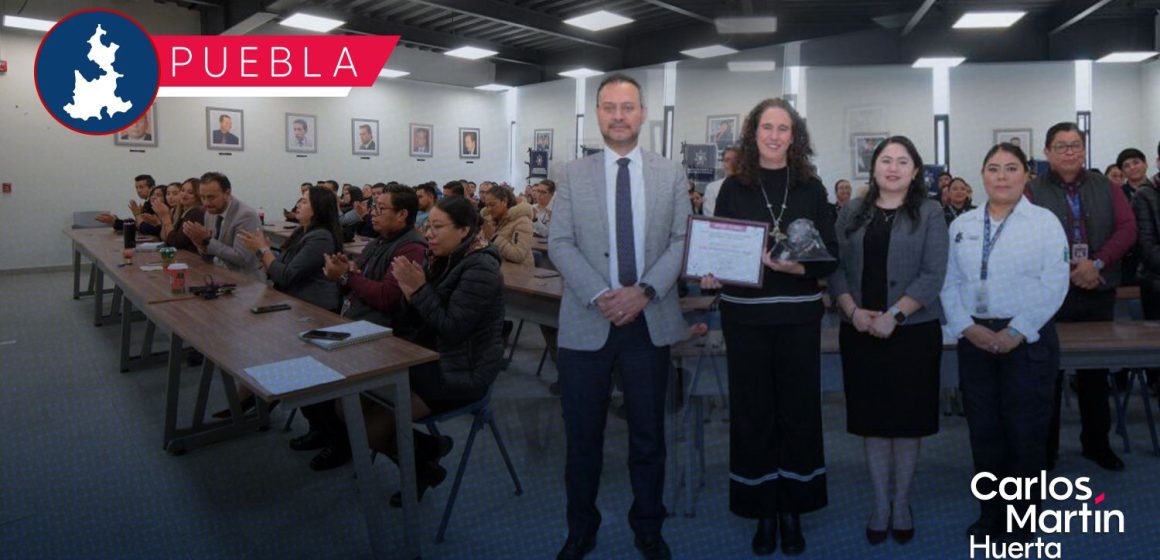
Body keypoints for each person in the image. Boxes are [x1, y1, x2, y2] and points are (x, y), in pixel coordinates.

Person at [549, 73, 689, 560]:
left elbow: (680, 241)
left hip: (648, 321)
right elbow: (559, 243)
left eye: (628, 107)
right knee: (582, 436)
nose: (618, 116)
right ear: (597, 114)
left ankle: (648, 525)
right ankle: (580, 528)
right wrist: (604, 295)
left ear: (644, 113)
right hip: (588, 321)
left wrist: (644, 292)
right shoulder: (572, 173)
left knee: (649, 434)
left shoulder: (670, 173)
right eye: (609, 107)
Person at [701, 97, 837, 557]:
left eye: (784, 129)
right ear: (752, 133)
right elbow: (717, 246)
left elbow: (829, 254)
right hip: (745, 317)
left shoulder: (811, 187)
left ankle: (793, 508)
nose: (775, 136)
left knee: (798, 412)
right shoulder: (732, 188)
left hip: (798, 315)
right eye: (766, 128)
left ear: (794, 137)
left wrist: (796, 268)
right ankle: (762, 508)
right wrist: (710, 270)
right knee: (753, 412)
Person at [941, 143, 1070, 541]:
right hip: (975, 340)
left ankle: (1024, 519)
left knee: (1026, 433)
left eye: (1010, 168)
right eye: (993, 168)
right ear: (982, 175)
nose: (1001, 176)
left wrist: (1017, 330)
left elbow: (1055, 283)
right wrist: (967, 327)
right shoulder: (962, 226)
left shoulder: (1045, 222)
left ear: (1026, 174)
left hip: (1028, 341)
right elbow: (948, 283)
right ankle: (990, 514)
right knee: (984, 432)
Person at [348, 195, 505, 506]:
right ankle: (426, 453)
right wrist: (408, 294)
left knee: (368, 423)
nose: (428, 234)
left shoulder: (481, 268)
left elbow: (452, 328)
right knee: (348, 402)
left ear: (464, 231)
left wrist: (418, 289)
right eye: (427, 226)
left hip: (462, 371)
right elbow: (415, 322)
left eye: (437, 227)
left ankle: (421, 462)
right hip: (427, 357)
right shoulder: (441, 258)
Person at [830, 135, 948, 546]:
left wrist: (895, 315)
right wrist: (851, 311)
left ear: (916, 171)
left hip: (912, 332)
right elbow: (835, 269)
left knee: (907, 423)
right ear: (873, 167)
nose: (893, 167)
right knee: (874, 423)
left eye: (902, 161)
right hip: (861, 330)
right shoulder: (851, 212)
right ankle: (881, 503)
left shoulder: (930, 213)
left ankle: (902, 502)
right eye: (885, 160)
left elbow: (934, 273)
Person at [295, 185, 428, 470]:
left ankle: (341, 442)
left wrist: (348, 277)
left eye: (381, 208)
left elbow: (387, 297)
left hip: (386, 334)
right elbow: (356, 283)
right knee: (303, 355)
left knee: (320, 372)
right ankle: (326, 431)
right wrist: (344, 275)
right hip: (359, 322)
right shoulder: (379, 242)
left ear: (403, 214)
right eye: (374, 207)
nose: (373, 214)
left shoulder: (412, 247)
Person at [1029, 122, 1136, 472]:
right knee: (1047, 376)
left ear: (1084, 149)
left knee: (1094, 373)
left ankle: (1097, 443)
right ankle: (1046, 451)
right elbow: (1024, 238)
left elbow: (1127, 228)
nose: (1070, 152)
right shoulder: (1032, 191)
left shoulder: (1106, 186)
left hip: (1097, 289)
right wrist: (1068, 270)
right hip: (1050, 296)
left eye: (1076, 145)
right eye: (1061, 146)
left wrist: (1097, 263)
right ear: (1047, 152)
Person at [240, 186, 343, 311]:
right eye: (300, 200)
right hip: (292, 299)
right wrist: (263, 252)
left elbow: (286, 277)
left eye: (304, 202)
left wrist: (263, 250)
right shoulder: (301, 232)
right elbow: (282, 267)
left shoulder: (321, 238)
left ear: (318, 208)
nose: (298, 205)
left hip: (312, 307)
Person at [181, 172, 264, 280]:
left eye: (211, 197)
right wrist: (200, 244)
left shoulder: (245, 216)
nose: (206, 203)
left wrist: (207, 240)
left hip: (245, 281)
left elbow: (241, 258)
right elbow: (209, 255)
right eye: (202, 197)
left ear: (227, 193)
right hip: (218, 275)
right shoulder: (209, 212)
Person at [482, 185, 535, 268]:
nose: (489, 209)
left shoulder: (522, 221)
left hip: (519, 272)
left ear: (504, 202)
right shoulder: (491, 220)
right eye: (487, 205)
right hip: (496, 267)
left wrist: (494, 238)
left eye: (492, 205)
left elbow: (518, 255)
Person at [95, 174, 162, 235]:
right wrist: (115, 221)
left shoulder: (156, 204)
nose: (138, 190)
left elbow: (145, 228)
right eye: (137, 188)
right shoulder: (146, 204)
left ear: (152, 187)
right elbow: (138, 224)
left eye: (141, 187)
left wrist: (137, 216)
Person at [157, 178, 205, 252]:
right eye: (182, 190)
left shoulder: (195, 212)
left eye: (190, 192)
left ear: (198, 195)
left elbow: (176, 243)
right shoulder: (181, 211)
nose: (184, 195)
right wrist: (164, 218)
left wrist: (165, 217)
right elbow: (165, 239)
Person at [703, 146, 740, 216]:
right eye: (727, 160)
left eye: (735, 160)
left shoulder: (748, 187)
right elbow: (710, 216)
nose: (731, 164)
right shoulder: (712, 188)